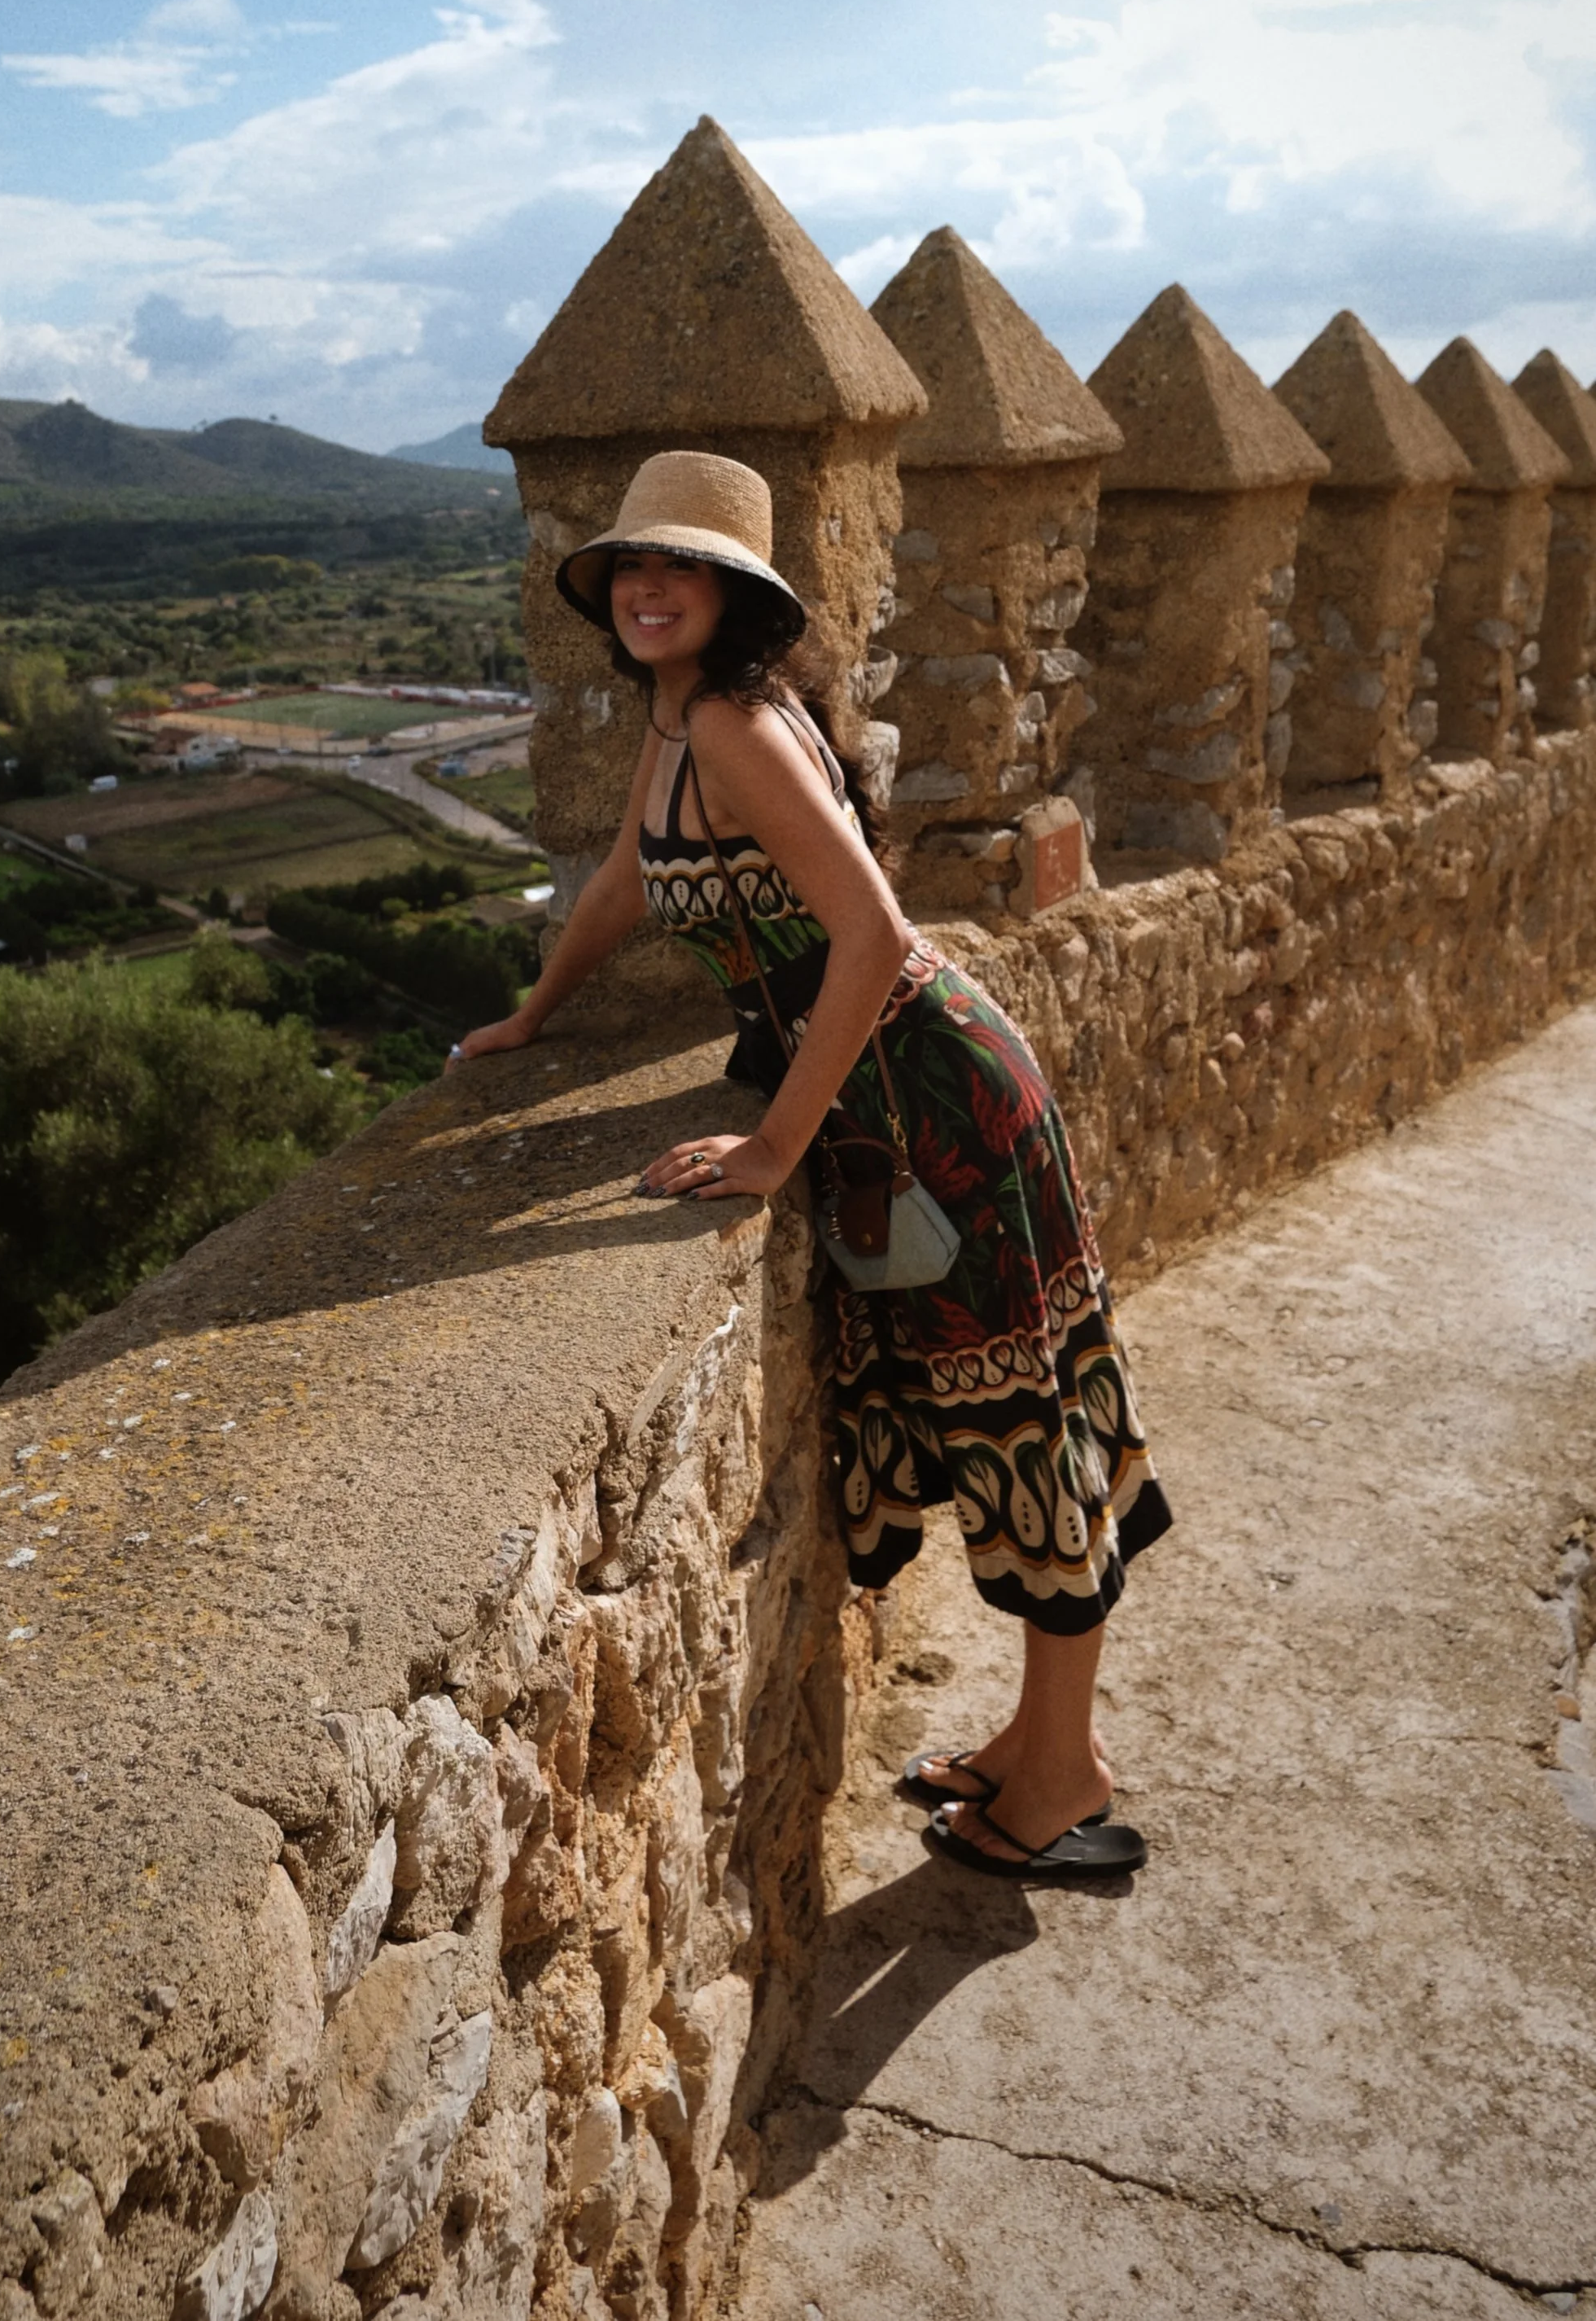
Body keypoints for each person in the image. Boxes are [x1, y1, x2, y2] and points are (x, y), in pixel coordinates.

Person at [453, 451, 1170, 1885]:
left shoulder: (731, 723)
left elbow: (879, 936)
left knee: (1031, 1427)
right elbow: (618, 881)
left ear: (736, 595)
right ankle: (1043, 1747)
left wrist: (776, 1142)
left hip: (935, 1099)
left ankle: (1062, 1772)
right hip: (901, 1099)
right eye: (632, 568)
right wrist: (540, 1010)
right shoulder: (681, 720)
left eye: (684, 567)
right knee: (1007, 1417)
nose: (652, 587)